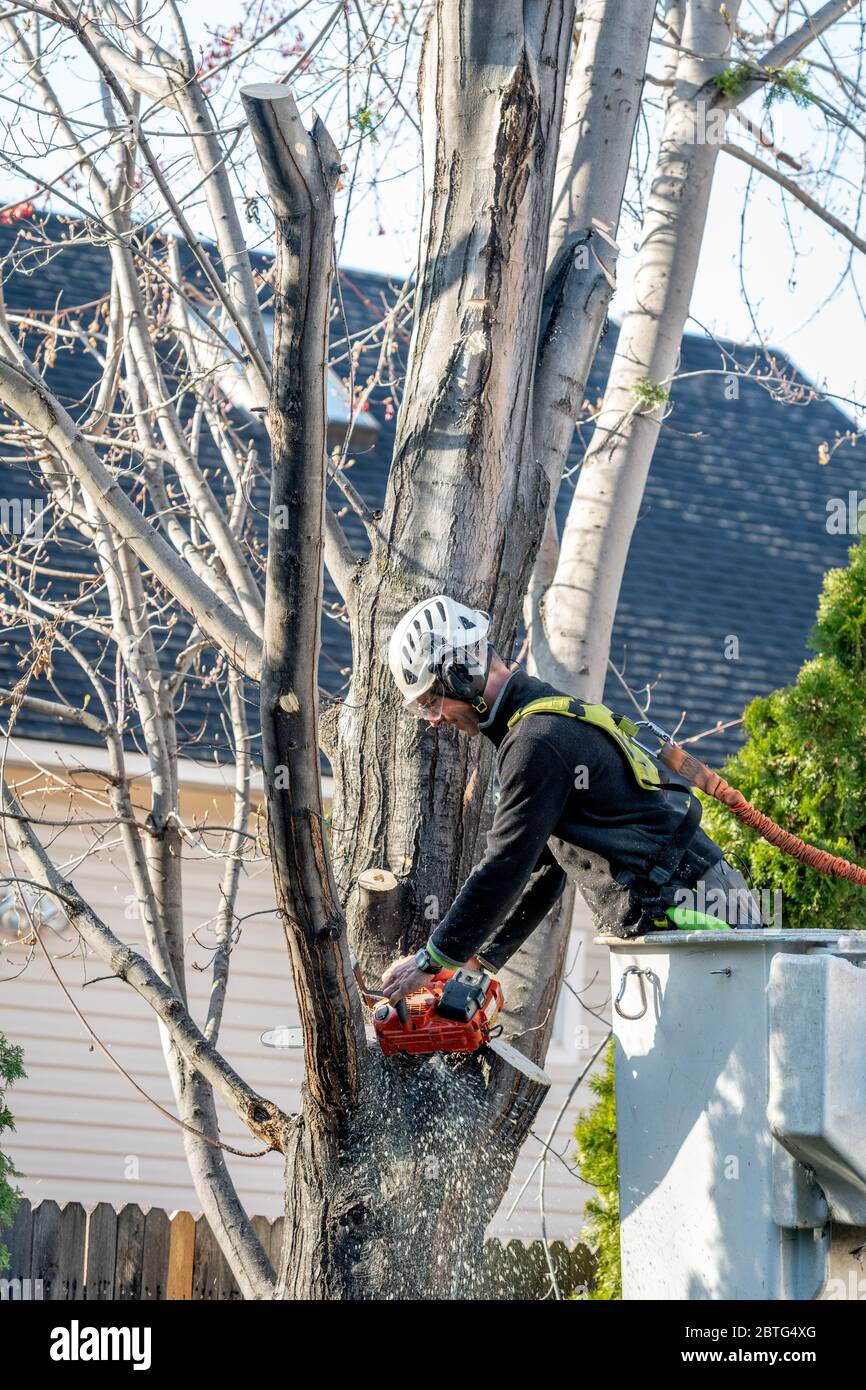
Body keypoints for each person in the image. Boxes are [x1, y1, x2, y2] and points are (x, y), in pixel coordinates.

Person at [381, 594, 763, 1004]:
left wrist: (431, 960)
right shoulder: (538, 725)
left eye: (432, 702)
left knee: (705, 1062)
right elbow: (549, 865)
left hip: (695, 908)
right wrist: (481, 961)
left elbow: (505, 865)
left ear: (461, 673)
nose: (435, 719)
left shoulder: (536, 741)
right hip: (688, 902)